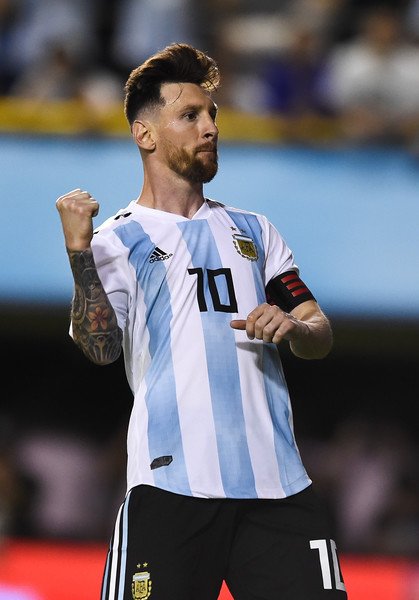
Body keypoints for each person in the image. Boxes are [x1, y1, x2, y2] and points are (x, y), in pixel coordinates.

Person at [56, 43, 347, 600]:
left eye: (211, 114)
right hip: (171, 486)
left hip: (278, 487)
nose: (210, 127)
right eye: (189, 115)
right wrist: (79, 253)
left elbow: (319, 330)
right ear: (145, 135)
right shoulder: (117, 239)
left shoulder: (254, 231)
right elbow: (99, 348)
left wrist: (296, 329)